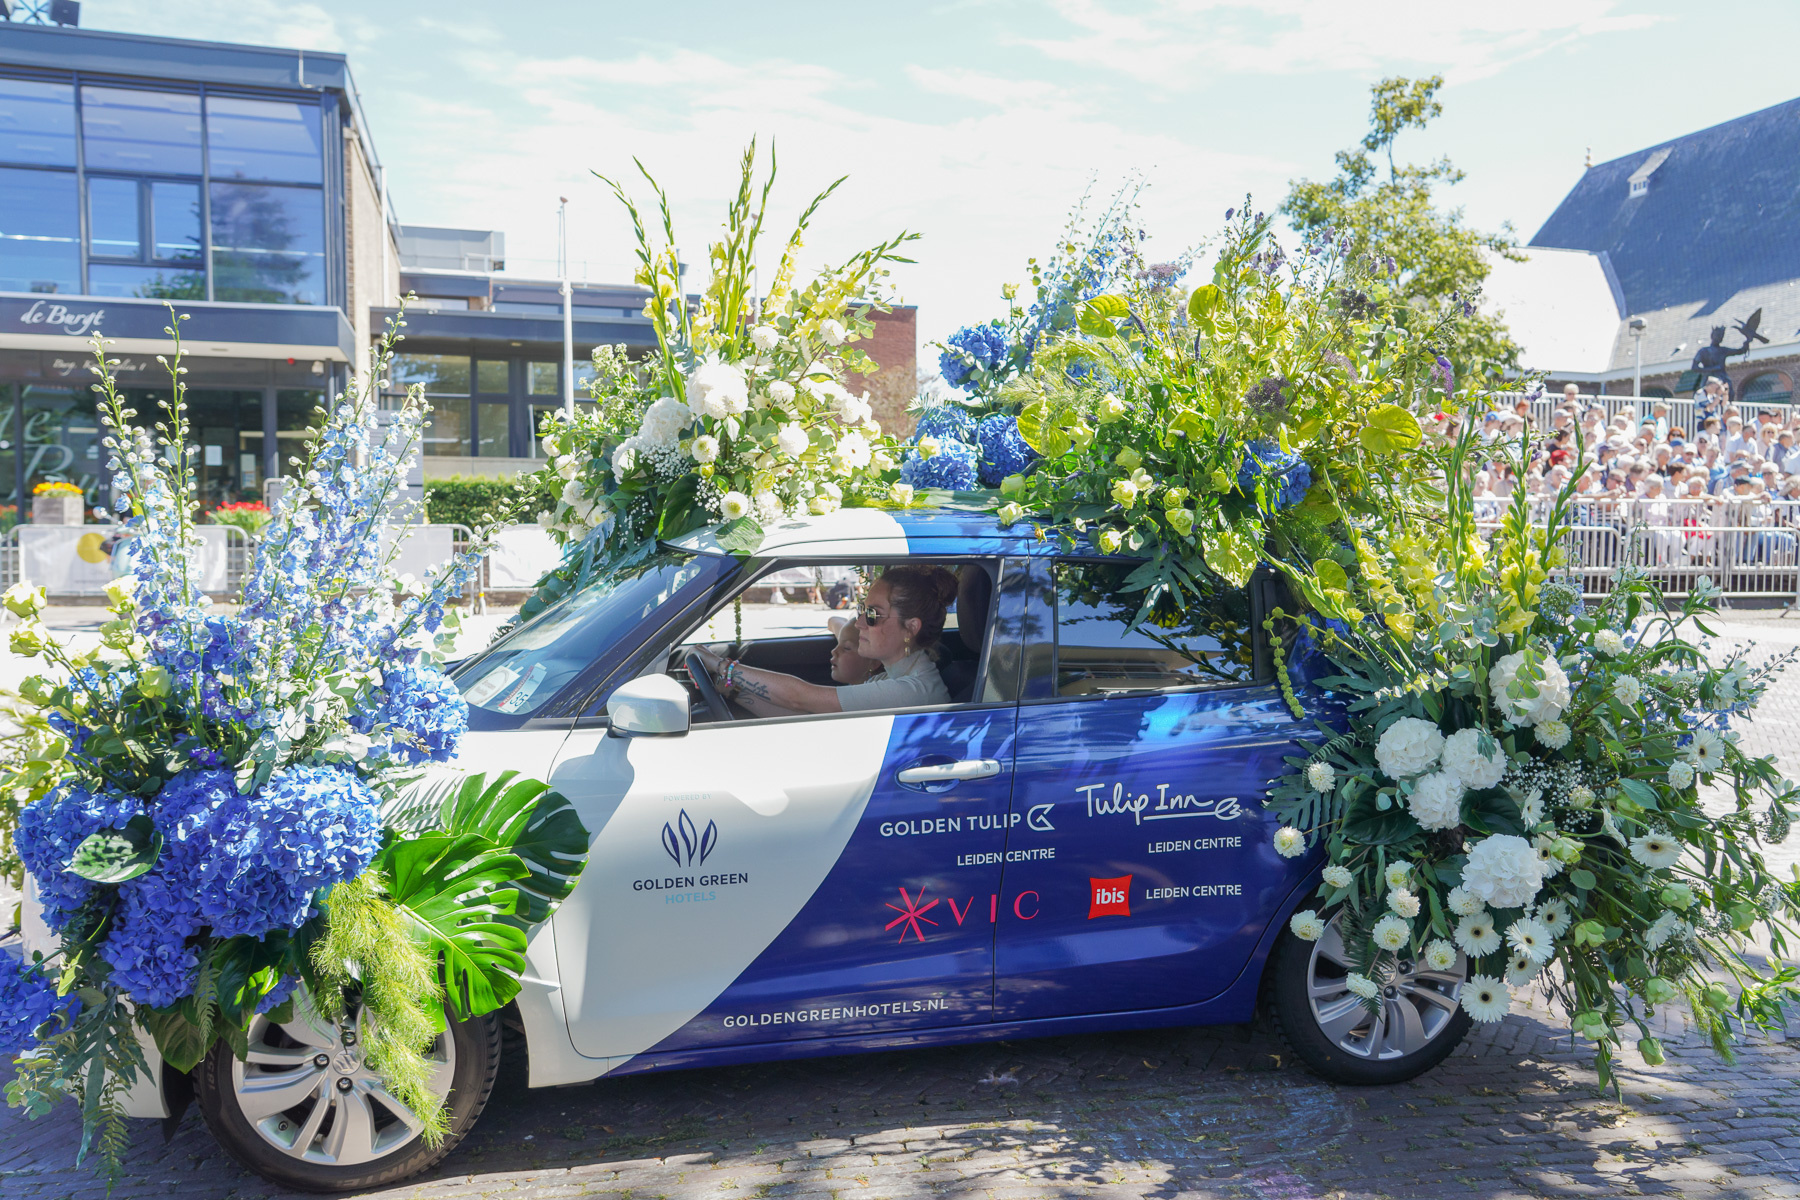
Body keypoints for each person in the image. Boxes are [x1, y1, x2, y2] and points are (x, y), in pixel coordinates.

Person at [695, 565, 956, 717]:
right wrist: (735, 692)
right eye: (862, 610)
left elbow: (799, 697)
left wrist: (721, 665)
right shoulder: (894, 675)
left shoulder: (911, 690)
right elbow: (803, 716)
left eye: (873, 615)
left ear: (910, 628)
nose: (860, 623)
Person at [826, 615, 879, 685]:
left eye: (846, 648)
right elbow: (835, 620)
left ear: (874, 663)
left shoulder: (873, 690)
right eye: (839, 642)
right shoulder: (854, 639)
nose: (833, 651)